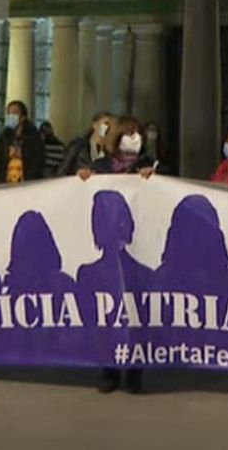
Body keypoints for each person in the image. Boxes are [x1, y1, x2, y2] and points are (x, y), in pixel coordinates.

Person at [76, 117, 156, 393]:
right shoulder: (100, 168)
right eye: (128, 134)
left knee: (135, 313)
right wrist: (84, 179)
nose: (133, 139)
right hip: (107, 255)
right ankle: (109, 370)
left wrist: (151, 178)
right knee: (107, 314)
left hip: (137, 250)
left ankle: (135, 371)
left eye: (138, 134)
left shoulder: (149, 166)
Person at [0, 100, 46, 184]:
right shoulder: (5, 135)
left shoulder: (33, 135)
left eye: (14, 113)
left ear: (23, 117)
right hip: (8, 180)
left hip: (27, 180)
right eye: (9, 113)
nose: (11, 116)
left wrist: (21, 154)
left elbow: (39, 160)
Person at [59, 112, 113, 177]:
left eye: (112, 125)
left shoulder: (111, 151)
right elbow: (62, 171)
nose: (109, 127)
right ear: (95, 125)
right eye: (106, 123)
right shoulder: (78, 146)